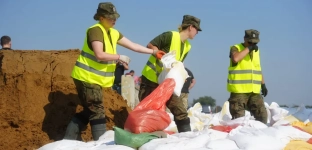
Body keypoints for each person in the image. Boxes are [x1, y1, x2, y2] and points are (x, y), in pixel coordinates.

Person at [64, 2, 165, 141]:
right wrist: (119, 57)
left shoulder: (113, 33)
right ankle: (101, 143)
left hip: (94, 79)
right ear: (101, 17)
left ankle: (68, 139)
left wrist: (153, 52)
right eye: (110, 17)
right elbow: (99, 54)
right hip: (86, 77)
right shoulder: (95, 30)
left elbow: (134, 46)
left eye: (115, 17)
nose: (114, 19)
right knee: (97, 111)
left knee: (90, 111)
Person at [139, 15, 202, 132]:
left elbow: (178, 64)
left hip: (166, 83)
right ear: (191, 27)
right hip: (150, 80)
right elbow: (150, 45)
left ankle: (186, 137)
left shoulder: (187, 46)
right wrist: (158, 53)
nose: (197, 32)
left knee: (180, 111)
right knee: (147, 112)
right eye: (197, 29)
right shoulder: (170, 36)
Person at [227, 29, 268, 124]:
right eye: (250, 42)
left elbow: (257, 68)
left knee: (262, 116)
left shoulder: (256, 52)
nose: (252, 44)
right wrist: (249, 49)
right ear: (244, 39)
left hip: (254, 91)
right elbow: (235, 58)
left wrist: (263, 84)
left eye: (254, 43)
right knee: (239, 121)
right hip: (239, 92)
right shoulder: (236, 48)